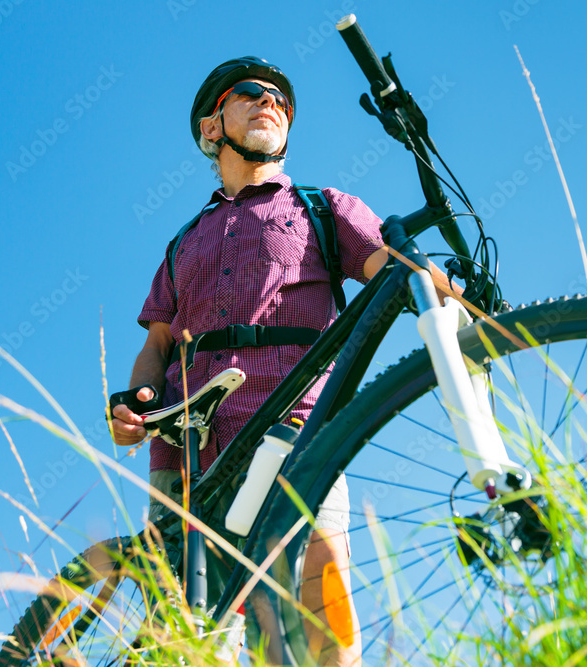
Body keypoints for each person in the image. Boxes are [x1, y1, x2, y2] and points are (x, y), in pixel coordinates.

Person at [109, 56, 455, 666]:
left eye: (281, 100)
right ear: (211, 129)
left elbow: (397, 275)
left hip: (296, 430)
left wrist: (454, 291)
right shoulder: (183, 241)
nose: (271, 101)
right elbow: (156, 345)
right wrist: (132, 405)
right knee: (189, 642)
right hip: (187, 448)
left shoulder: (324, 209)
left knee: (314, 625)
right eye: (250, 93)